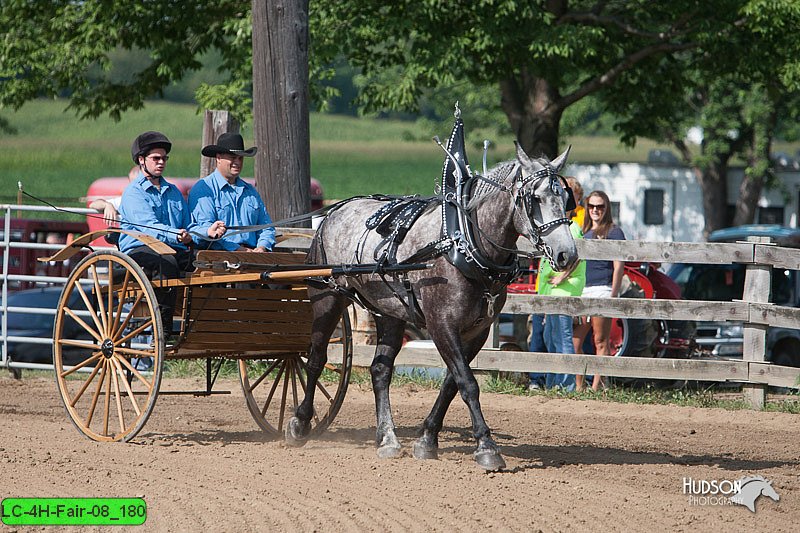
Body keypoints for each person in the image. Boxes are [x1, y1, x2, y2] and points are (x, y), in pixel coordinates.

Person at [118, 131, 208, 338]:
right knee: (165, 261)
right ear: (141, 160)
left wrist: (207, 231)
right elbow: (149, 227)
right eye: (156, 158)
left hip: (172, 247)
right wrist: (177, 235)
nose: (161, 162)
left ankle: (204, 326)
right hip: (140, 248)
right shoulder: (134, 193)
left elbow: (190, 224)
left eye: (164, 158)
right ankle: (164, 331)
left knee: (207, 261)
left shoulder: (173, 191)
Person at [572, 190, 626, 391]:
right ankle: (579, 386)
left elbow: (618, 266)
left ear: (607, 208)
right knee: (575, 342)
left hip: (603, 289)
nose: (595, 210)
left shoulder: (614, 231)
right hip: (584, 290)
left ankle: (597, 386)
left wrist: (613, 294)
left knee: (600, 340)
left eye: (600, 206)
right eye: (592, 206)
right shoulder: (583, 230)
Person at [189, 132, 276, 252]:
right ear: (218, 158)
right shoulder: (204, 189)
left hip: (253, 256)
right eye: (232, 157)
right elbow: (207, 230)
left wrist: (262, 247)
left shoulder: (250, 191)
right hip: (218, 257)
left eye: (240, 158)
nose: (238, 162)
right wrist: (237, 249)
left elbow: (266, 227)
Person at [538, 219, 585, 391]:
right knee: (551, 339)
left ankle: (567, 385)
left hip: (562, 291)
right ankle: (554, 383)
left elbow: (578, 254)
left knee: (562, 340)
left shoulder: (571, 228)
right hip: (551, 292)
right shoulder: (557, 227)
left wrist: (562, 276)